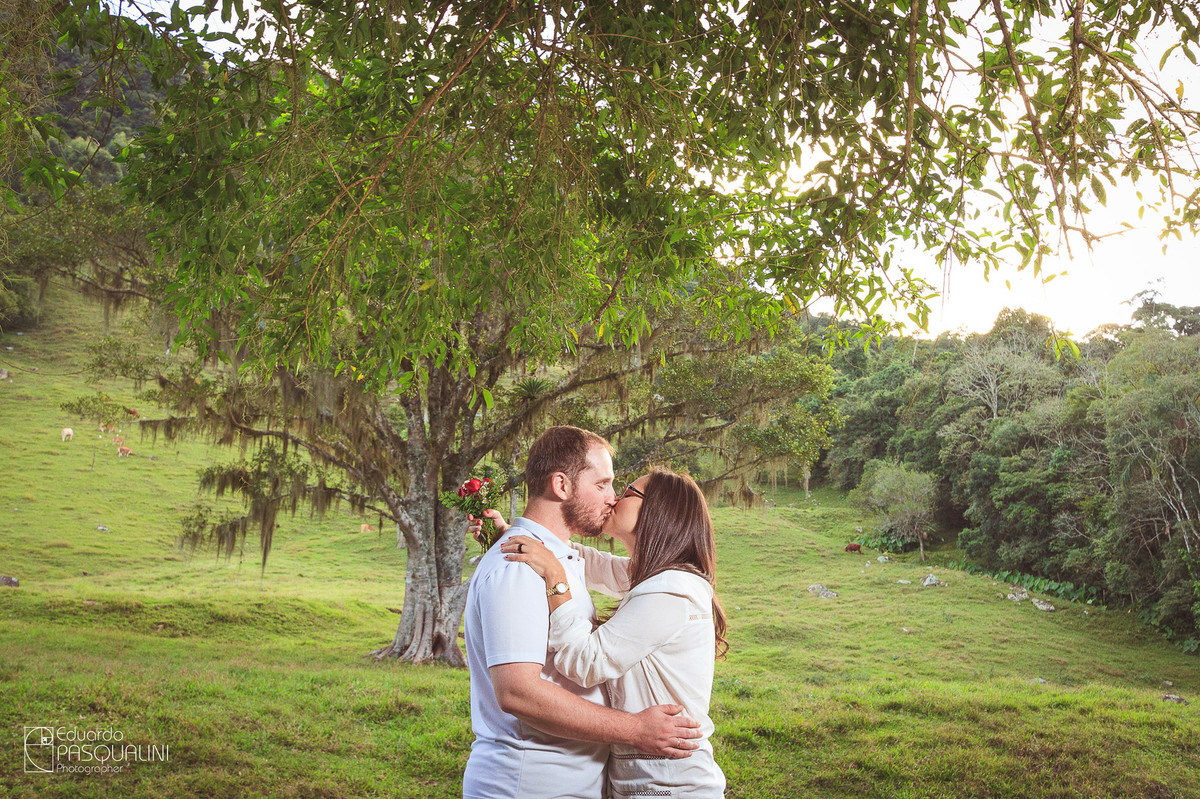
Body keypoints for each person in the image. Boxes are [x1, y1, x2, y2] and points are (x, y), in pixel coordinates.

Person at [462, 426, 702, 799]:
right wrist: (635, 730)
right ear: (562, 485)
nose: (612, 498)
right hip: (531, 784)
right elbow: (517, 693)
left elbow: (608, 570)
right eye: (604, 484)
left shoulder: (559, 560)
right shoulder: (521, 567)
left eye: (621, 490)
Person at [499, 469, 728, 799]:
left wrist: (554, 576)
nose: (614, 499)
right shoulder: (658, 576)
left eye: (628, 492)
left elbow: (584, 662)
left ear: (656, 510)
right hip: (646, 778)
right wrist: (517, 534)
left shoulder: (669, 590)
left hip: (669, 784)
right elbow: (590, 564)